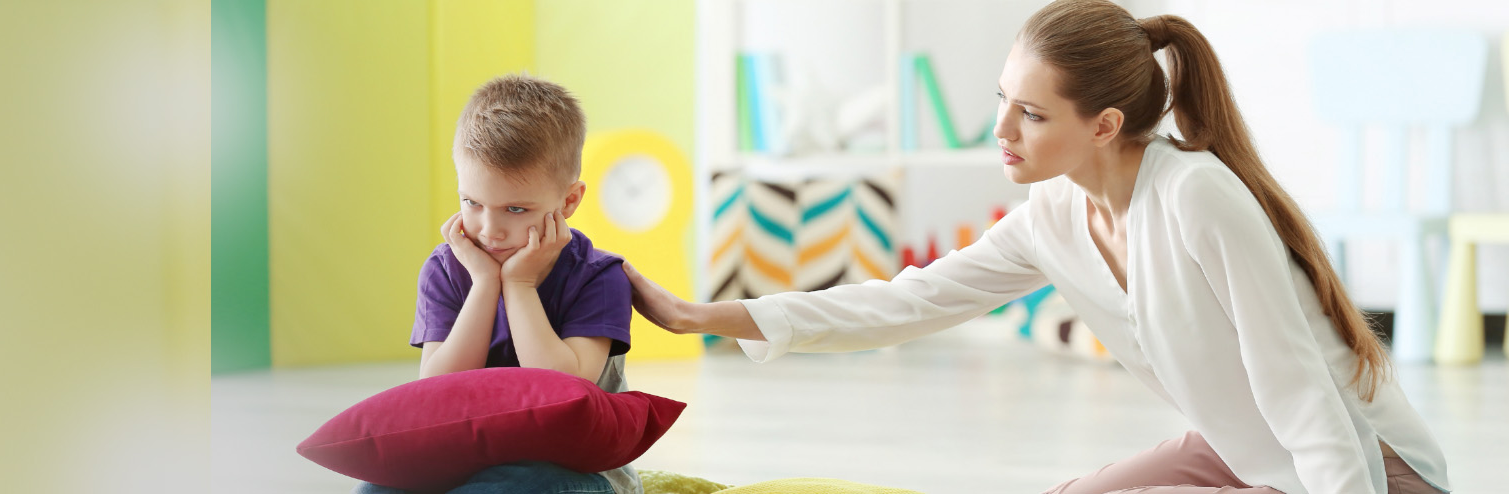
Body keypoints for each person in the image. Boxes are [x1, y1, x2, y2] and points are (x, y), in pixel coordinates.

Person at [616, 2, 1448, 493]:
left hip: (1356, 471)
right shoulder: (1054, 218)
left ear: (1105, 126)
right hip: (1242, 451)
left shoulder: (1196, 196)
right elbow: (904, 301)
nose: (1001, 131)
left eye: (1032, 115)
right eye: (1003, 101)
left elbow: (1304, 396)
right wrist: (701, 316)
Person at [356, 75, 639, 494]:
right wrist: (485, 284)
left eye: (516, 208)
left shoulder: (598, 277)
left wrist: (520, 285)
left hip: (575, 471)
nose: (491, 230)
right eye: (472, 203)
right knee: (376, 489)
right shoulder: (447, 269)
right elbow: (435, 390)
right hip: (471, 460)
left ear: (569, 201)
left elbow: (565, 390)